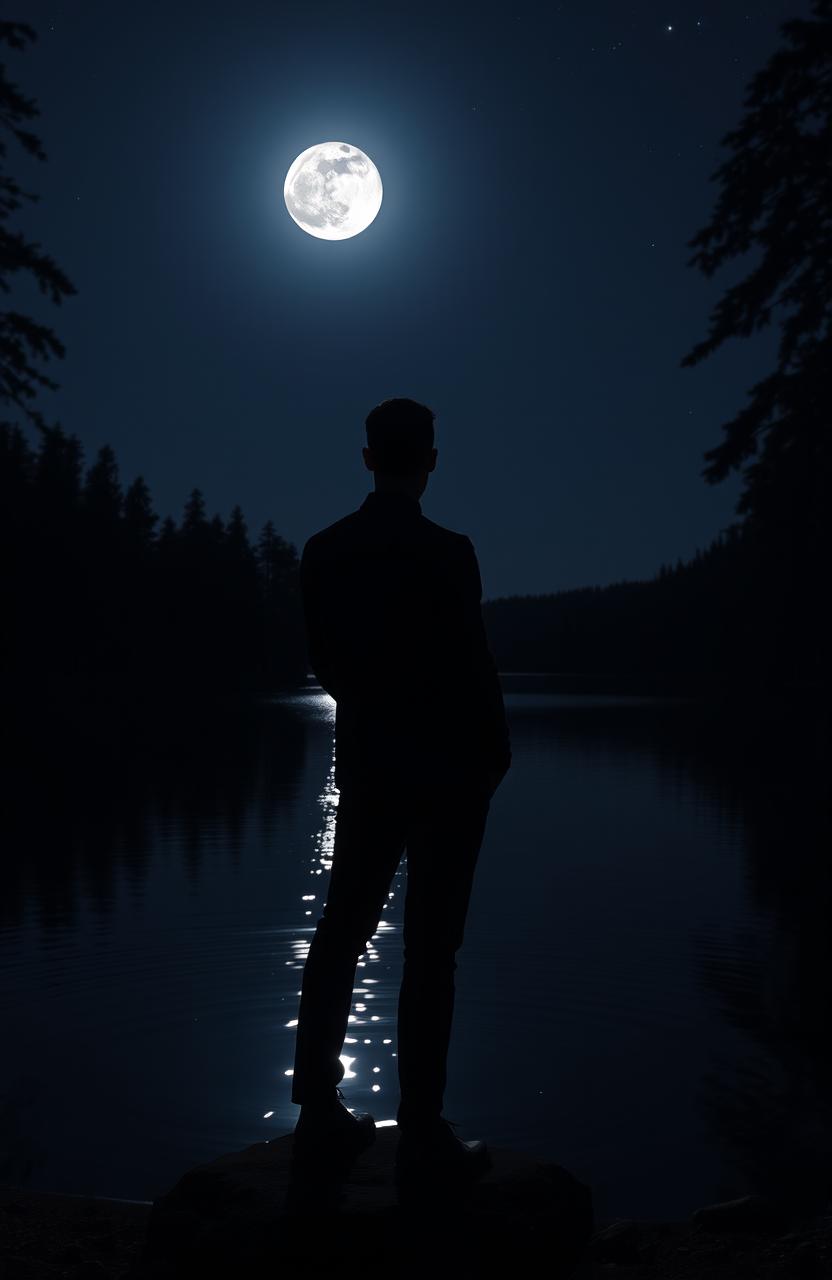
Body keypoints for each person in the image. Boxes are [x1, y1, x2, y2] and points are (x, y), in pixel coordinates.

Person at [291, 398, 511, 1177]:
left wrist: (379, 714)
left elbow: (327, 665)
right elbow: (473, 663)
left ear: (366, 458)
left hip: (374, 770)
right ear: (431, 460)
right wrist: (493, 755)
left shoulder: (325, 551)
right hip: (449, 774)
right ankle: (421, 1127)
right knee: (432, 951)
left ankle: (318, 1107)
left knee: (342, 931)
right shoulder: (450, 552)